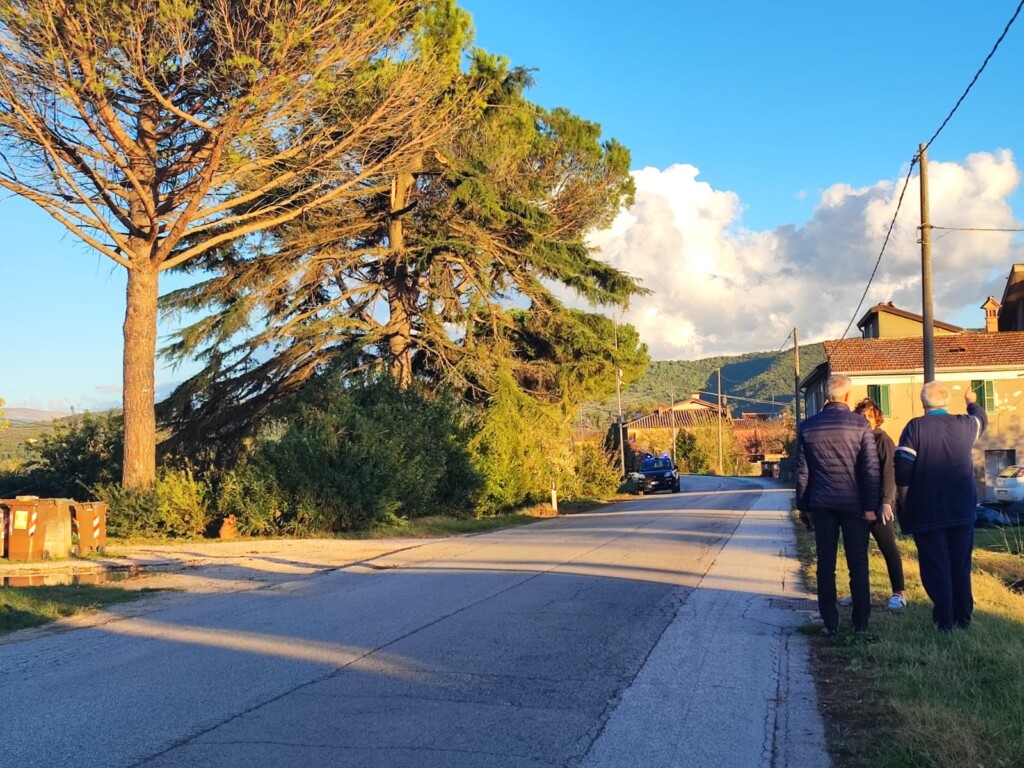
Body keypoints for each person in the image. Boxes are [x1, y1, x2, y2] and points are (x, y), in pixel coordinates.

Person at [895, 383, 987, 632]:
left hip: (928, 510)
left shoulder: (915, 427)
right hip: (962, 509)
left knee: (936, 565)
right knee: (961, 563)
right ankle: (964, 617)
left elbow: (903, 468)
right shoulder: (966, 425)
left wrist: (905, 499)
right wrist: (971, 400)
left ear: (922, 402)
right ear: (946, 401)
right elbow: (981, 418)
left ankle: (944, 620)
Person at [795, 374, 880, 635]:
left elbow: (803, 472)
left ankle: (830, 623)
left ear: (826, 397)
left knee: (826, 564)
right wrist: (870, 506)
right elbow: (870, 469)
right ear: (847, 396)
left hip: (822, 504)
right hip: (854, 505)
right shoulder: (861, 426)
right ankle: (861, 624)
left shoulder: (808, 427)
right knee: (858, 563)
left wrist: (803, 506)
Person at [848, 398, 907, 612]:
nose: (865, 420)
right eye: (861, 417)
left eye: (868, 417)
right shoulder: (856, 440)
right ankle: (858, 593)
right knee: (857, 551)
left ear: (876, 419)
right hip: (858, 505)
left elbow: (890, 473)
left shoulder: (883, 440)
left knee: (888, 548)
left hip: (880, 506)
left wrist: (886, 502)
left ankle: (899, 593)